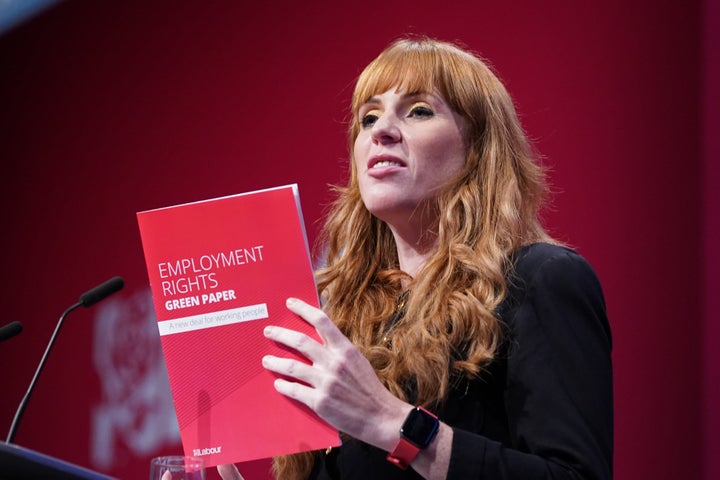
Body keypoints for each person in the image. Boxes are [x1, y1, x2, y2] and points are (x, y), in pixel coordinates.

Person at [219, 37, 613, 480]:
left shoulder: (540, 281)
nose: (381, 130)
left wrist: (391, 422)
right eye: (368, 119)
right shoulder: (349, 319)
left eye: (419, 111)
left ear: (479, 150)